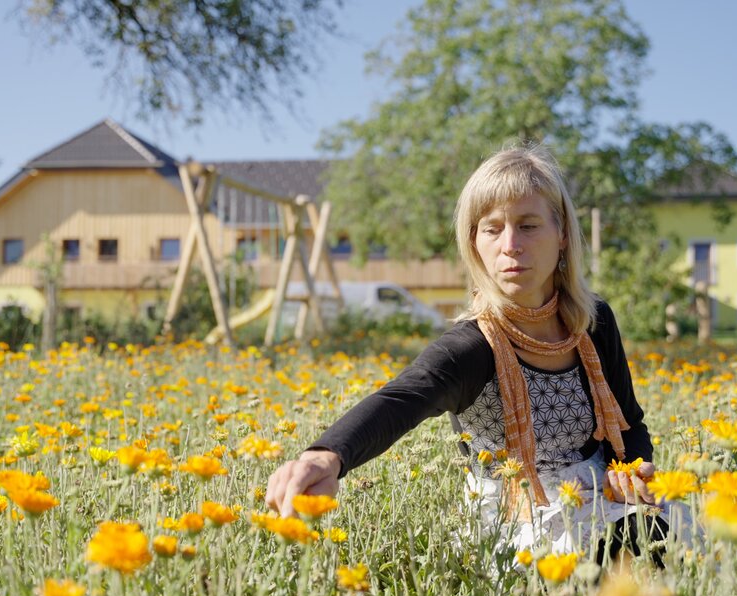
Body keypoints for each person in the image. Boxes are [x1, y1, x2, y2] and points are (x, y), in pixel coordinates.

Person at [265, 145, 690, 564]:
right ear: (474, 242)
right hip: (520, 521)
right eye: (492, 229)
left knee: (677, 536)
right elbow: (402, 397)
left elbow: (628, 422)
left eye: (528, 225)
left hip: (606, 502)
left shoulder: (593, 322)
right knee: (620, 549)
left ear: (562, 235)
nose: (510, 245)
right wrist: (326, 456)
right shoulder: (472, 346)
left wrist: (633, 471)